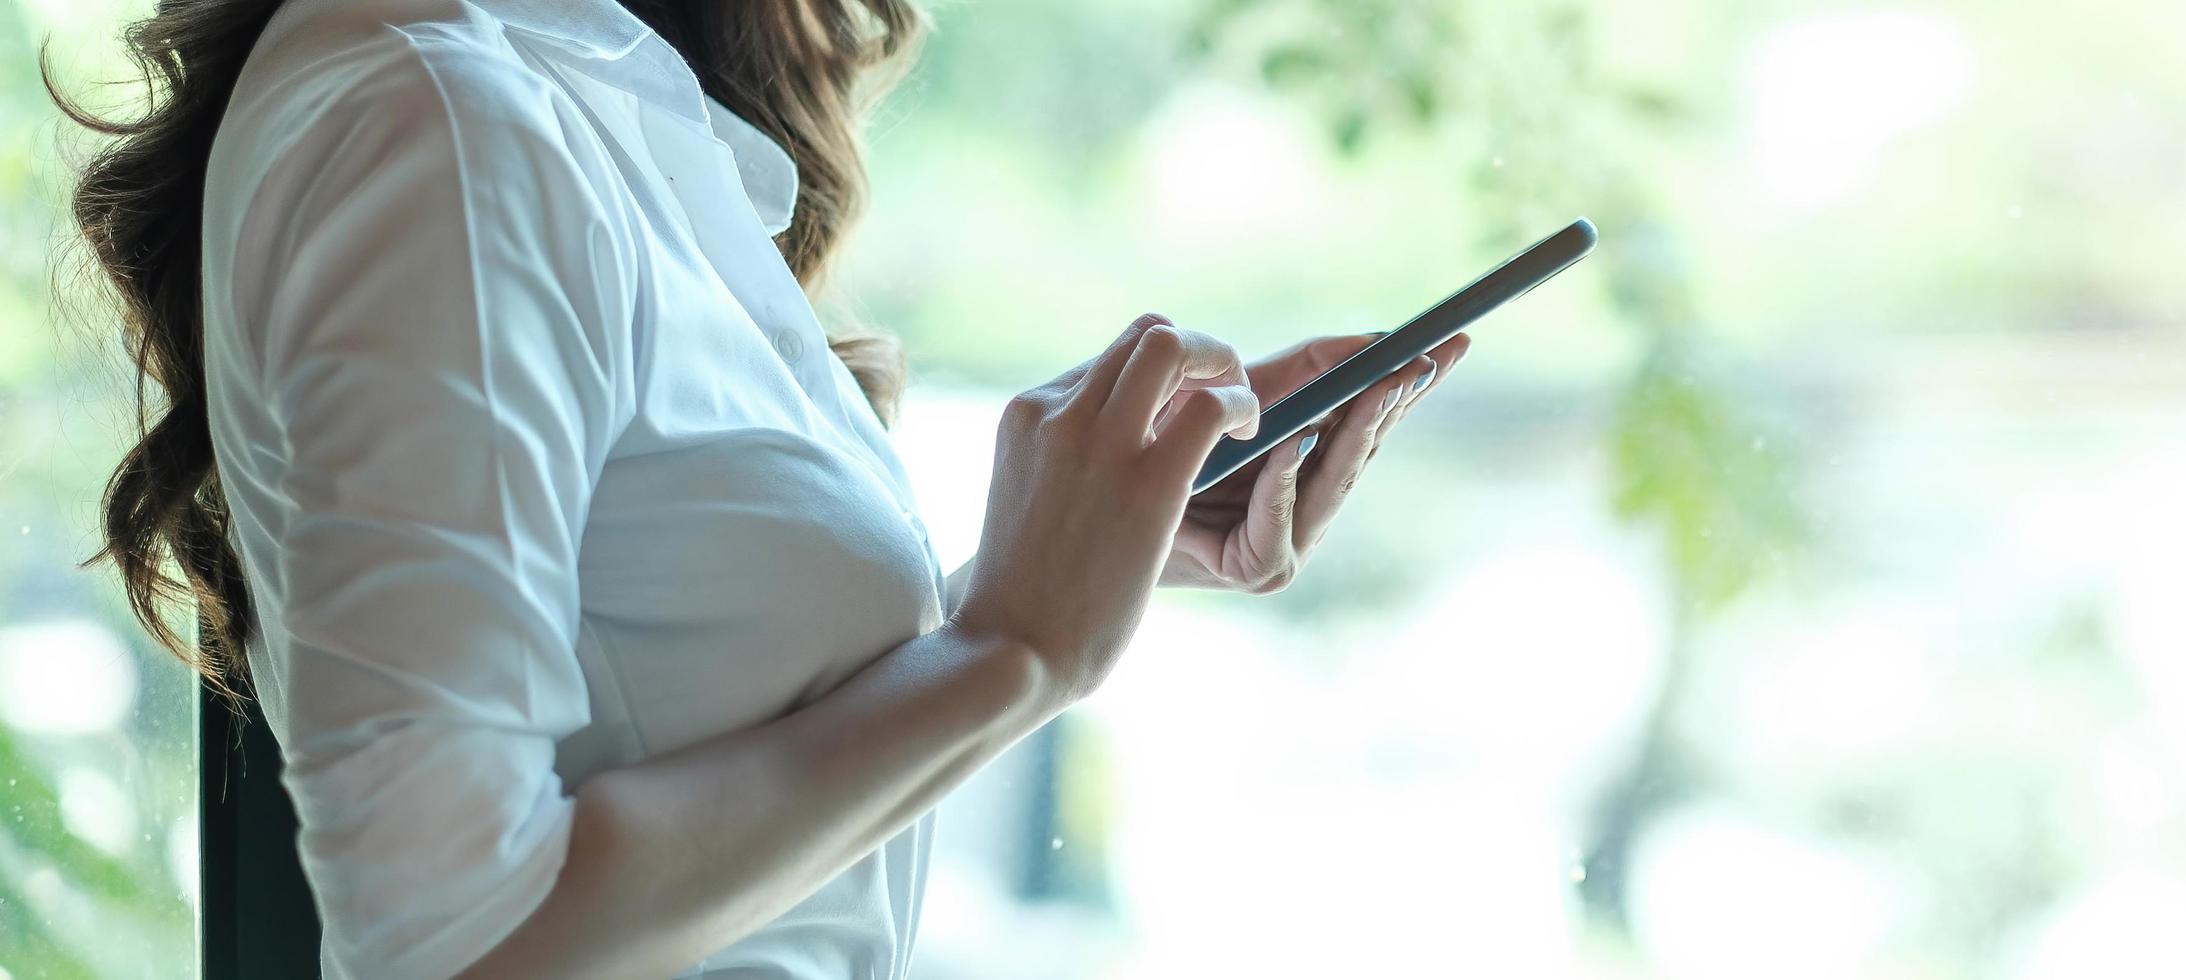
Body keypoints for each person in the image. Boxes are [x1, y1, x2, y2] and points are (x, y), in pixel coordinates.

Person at [54, 0, 1464, 975]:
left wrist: (1066, 564)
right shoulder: (438, 116)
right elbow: (461, 939)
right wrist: (1013, 652)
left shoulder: (544, 83)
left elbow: (662, 716)